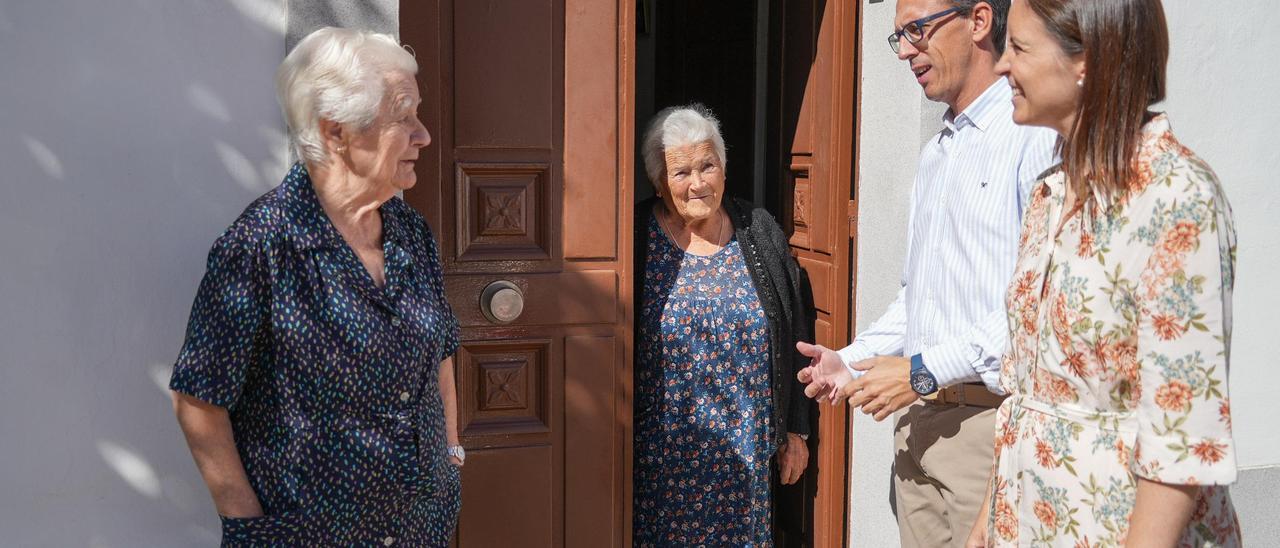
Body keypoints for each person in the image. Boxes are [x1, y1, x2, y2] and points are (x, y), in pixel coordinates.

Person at [169, 28, 464, 546]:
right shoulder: (260, 246)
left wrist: (450, 454)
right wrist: (250, 529)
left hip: (419, 527)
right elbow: (199, 400)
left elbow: (441, 351)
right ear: (335, 132)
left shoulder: (409, 232)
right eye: (404, 117)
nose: (424, 136)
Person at [963, 1, 1241, 545]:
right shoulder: (1050, 191)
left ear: (1087, 57)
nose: (1000, 66)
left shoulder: (1176, 197)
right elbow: (1031, 391)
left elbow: (1180, 440)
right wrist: (986, 524)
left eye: (1018, 47)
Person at [797, 0, 1058, 546]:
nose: (906, 51)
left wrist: (920, 371)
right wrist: (849, 359)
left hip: (990, 429)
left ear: (979, 21)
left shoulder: (1033, 138)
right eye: (898, 38)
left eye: (916, 30)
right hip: (919, 430)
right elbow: (919, 300)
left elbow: (1035, 306)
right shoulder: (937, 153)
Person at [632, 104, 816, 546]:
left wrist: (796, 429)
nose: (698, 183)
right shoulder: (635, 237)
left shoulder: (759, 229)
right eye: (681, 172)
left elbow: (795, 329)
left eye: (707, 165)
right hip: (662, 456)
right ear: (659, 183)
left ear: (724, 169)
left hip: (747, 453)